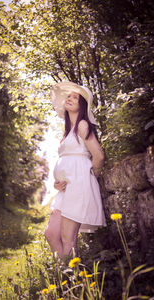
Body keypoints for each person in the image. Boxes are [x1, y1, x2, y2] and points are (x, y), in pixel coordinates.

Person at [44, 81, 106, 260]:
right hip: (65, 190)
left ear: (82, 105)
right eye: (68, 96)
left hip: (79, 186)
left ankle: (69, 280)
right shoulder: (68, 131)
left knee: (67, 239)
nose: (70, 98)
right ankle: (63, 273)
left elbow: (99, 156)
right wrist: (57, 182)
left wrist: (88, 177)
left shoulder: (83, 125)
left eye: (75, 97)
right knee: (51, 234)